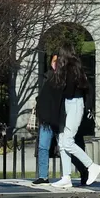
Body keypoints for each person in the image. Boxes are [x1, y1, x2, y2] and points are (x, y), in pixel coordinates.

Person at [49, 44, 100, 189]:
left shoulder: (71, 69)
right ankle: (66, 176)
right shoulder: (73, 68)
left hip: (73, 104)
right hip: (70, 104)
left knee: (67, 141)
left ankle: (91, 166)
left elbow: (68, 91)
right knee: (62, 141)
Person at [32, 53, 63, 185]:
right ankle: (43, 176)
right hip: (46, 118)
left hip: (58, 117)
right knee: (43, 147)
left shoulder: (64, 78)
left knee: (65, 146)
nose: (55, 63)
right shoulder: (47, 76)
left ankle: (72, 173)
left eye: (57, 61)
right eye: (53, 60)